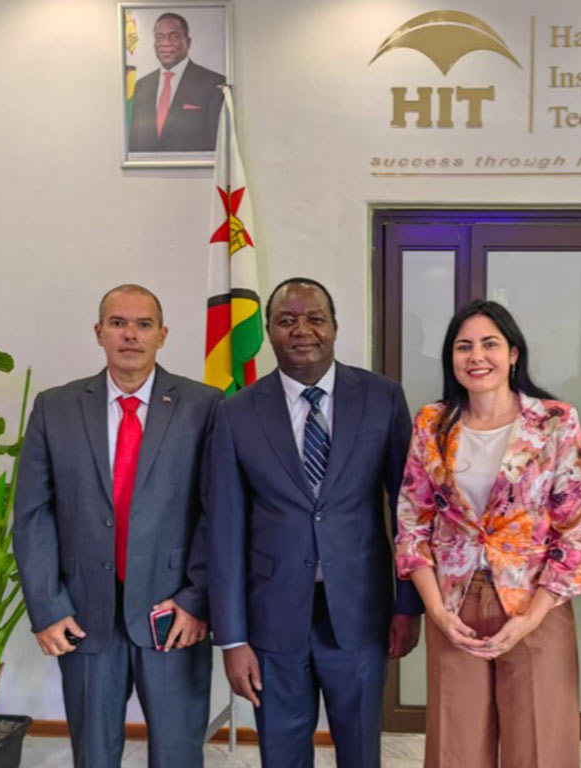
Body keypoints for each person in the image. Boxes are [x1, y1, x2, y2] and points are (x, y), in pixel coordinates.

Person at [204, 277, 423, 768]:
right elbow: (224, 529)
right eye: (286, 320)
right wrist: (232, 638)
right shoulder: (236, 412)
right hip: (271, 616)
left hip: (362, 612)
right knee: (281, 754)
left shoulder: (383, 398)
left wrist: (408, 605)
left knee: (360, 751)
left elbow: (409, 509)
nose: (302, 330)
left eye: (315, 319)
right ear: (268, 331)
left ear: (335, 327)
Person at [13, 284, 221, 768]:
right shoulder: (55, 407)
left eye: (144, 324)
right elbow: (32, 514)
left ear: (163, 335)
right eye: (118, 323)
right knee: (93, 756)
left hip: (174, 616)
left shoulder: (204, 406)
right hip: (84, 614)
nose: (131, 335)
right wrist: (47, 608)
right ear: (99, 332)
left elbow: (220, 512)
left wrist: (197, 599)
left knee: (177, 756)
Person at [395, 299, 581, 768]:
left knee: (540, 748)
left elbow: (576, 531)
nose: (477, 356)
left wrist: (531, 618)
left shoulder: (555, 421)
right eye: (463, 346)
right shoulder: (431, 424)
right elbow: (411, 522)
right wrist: (436, 611)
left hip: (535, 608)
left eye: (490, 344)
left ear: (513, 354)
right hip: (454, 606)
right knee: (455, 749)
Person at [128, 12, 225, 153]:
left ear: (188, 42)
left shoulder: (213, 84)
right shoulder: (142, 86)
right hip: (148, 167)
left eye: (174, 37)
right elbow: (134, 142)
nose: (165, 43)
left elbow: (218, 145)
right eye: (159, 37)